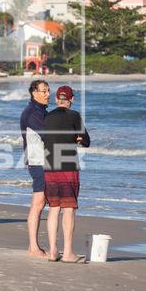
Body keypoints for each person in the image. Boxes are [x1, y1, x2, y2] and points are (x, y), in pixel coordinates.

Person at [42, 85, 90, 263]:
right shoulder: (74, 116)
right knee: (68, 208)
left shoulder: (47, 117)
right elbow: (86, 141)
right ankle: (68, 252)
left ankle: (53, 251)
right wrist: (76, 138)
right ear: (72, 100)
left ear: (56, 99)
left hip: (49, 165)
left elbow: (44, 138)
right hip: (68, 166)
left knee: (54, 208)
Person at [19, 79, 50, 258]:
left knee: (41, 201)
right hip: (37, 160)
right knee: (38, 202)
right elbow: (49, 135)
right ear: (34, 93)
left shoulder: (40, 110)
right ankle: (33, 246)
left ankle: (34, 246)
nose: (48, 94)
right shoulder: (33, 113)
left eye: (48, 91)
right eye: (44, 91)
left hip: (41, 159)